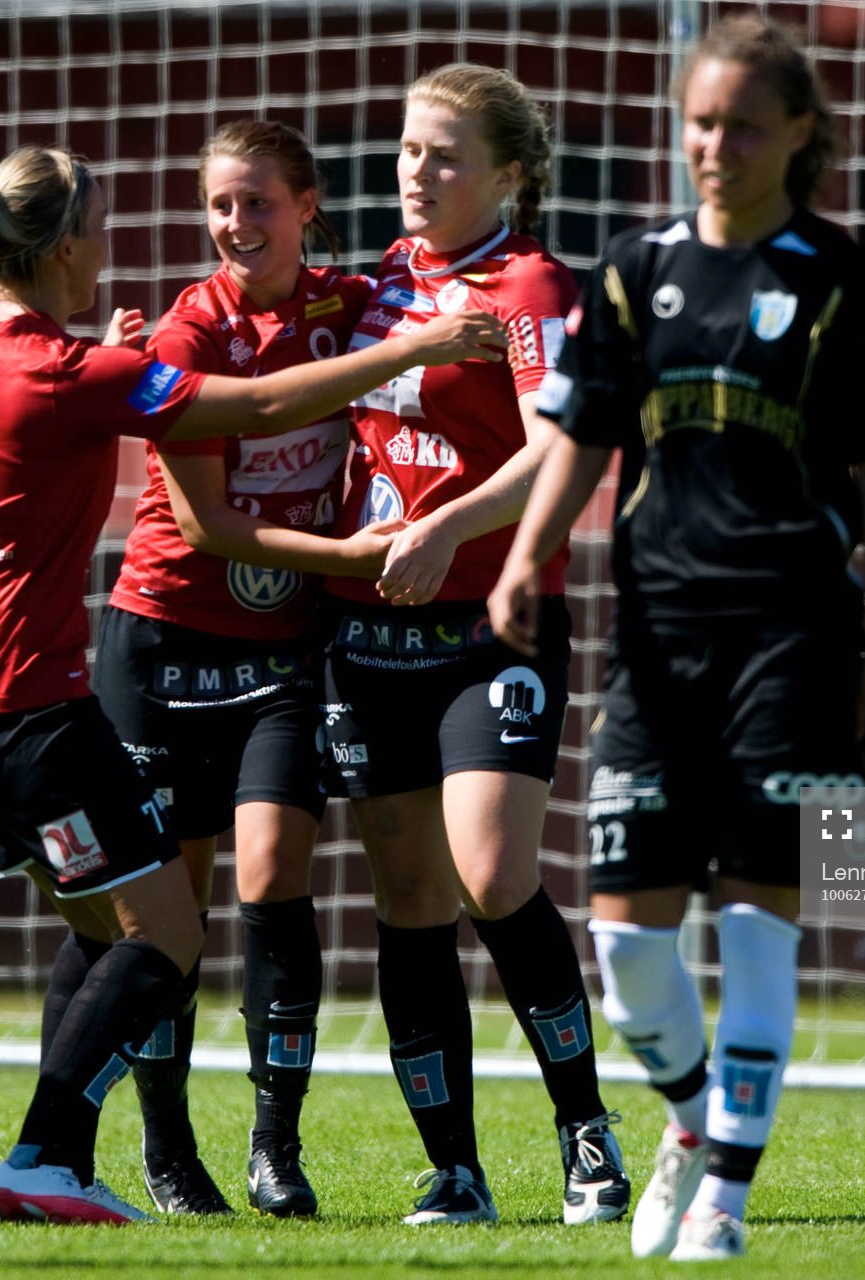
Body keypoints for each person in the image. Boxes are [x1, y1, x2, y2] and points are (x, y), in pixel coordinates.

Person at [0, 143, 504, 1225]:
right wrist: (417, 347)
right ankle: (48, 1152)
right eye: (100, 226)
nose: (115, 242)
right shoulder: (75, 370)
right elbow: (265, 407)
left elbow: (59, 397)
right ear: (63, 246)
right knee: (167, 935)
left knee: (105, 932)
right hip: (27, 703)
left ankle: (67, 1160)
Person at [488, 15, 865, 1262]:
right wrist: (528, 555)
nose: (711, 144)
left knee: (755, 921)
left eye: (737, 122)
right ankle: (692, 1124)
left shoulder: (842, 279)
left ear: (796, 133)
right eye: (698, 122)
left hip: (793, 640)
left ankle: (724, 1196)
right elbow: (577, 430)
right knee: (626, 947)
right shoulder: (632, 268)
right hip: (656, 641)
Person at [316, 63, 626, 1227]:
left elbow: (562, 445)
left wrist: (445, 524)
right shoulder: (378, 284)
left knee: (493, 876)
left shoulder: (531, 283)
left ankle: (586, 1134)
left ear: (508, 174)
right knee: (407, 896)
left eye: (444, 155)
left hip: (493, 619)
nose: (416, 171)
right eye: (406, 149)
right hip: (370, 630)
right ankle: (453, 1167)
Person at [93, 121, 403, 1218]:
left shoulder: (358, 309)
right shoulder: (184, 330)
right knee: (166, 916)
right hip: (165, 635)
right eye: (221, 204)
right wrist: (350, 555)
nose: (236, 223)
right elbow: (207, 525)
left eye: (258, 201)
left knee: (273, 875)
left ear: (308, 205)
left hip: (282, 651)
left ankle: (278, 1143)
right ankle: (169, 1150)